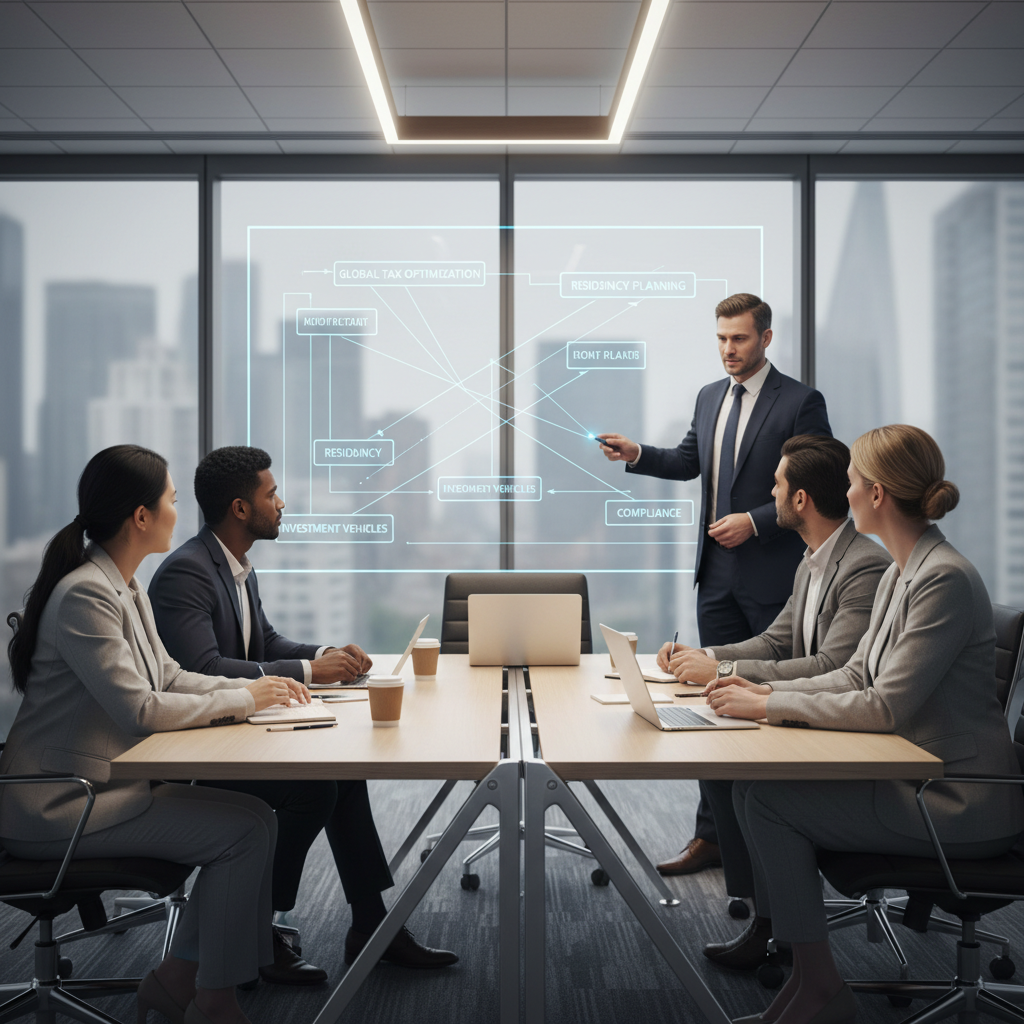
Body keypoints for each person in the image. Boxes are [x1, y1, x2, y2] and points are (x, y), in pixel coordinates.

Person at [702, 425, 1024, 1024]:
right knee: (754, 788)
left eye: (851, 483)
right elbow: (854, 676)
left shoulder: (942, 578)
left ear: (877, 494)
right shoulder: (906, 569)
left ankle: (819, 987)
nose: (843, 494)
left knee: (770, 802)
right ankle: (808, 982)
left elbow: (884, 707)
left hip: (956, 800)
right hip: (916, 778)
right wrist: (764, 689)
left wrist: (769, 707)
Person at [0, 444, 311, 1024]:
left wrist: (256, 691)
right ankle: (209, 999)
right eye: (170, 500)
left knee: (256, 819)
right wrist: (243, 699)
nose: (178, 511)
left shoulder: (123, 583)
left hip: (100, 787)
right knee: (242, 833)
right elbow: (140, 710)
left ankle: (178, 981)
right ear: (140, 516)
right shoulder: (87, 594)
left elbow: (167, 675)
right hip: (61, 804)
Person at [148, 445, 457, 975]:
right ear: (241, 509)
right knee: (315, 788)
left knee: (343, 773)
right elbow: (206, 665)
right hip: (200, 746)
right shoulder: (187, 573)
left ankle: (371, 926)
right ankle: (255, 927)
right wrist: (313, 675)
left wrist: (324, 655)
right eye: (272, 494)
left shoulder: (235, 565)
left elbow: (262, 641)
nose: (282, 502)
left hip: (243, 727)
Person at [599, 293, 832, 876]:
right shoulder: (709, 397)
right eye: (723, 339)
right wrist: (637, 455)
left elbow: (817, 485)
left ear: (766, 339)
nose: (729, 350)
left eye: (741, 339)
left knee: (768, 707)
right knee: (710, 706)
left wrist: (754, 521)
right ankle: (713, 837)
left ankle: (778, 843)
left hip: (773, 579)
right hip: (717, 580)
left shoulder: (801, 401)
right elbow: (687, 462)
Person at [651, 434, 891, 969]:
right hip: (807, 708)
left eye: (778, 484)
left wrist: (727, 671)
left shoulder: (863, 566)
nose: (771, 492)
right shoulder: (812, 560)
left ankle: (772, 923)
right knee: (722, 764)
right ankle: (765, 913)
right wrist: (704, 654)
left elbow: (834, 667)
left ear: (800, 499)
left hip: (840, 726)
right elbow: (776, 641)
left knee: (751, 785)